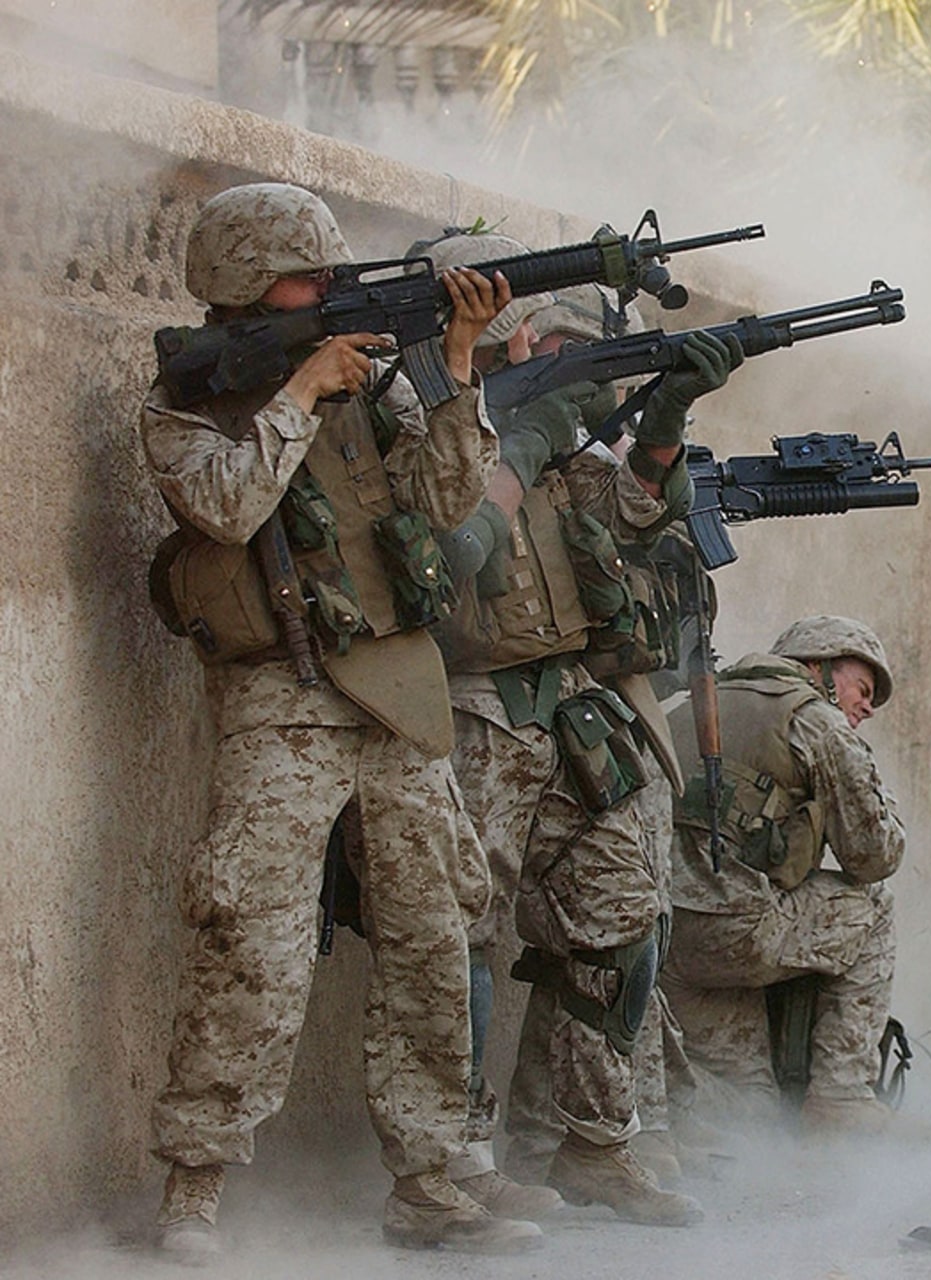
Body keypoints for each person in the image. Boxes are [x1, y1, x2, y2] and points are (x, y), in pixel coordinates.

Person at [142, 183, 538, 1255]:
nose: (328, 289)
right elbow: (223, 505)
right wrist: (298, 392)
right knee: (254, 940)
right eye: (305, 275)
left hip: (397, 686)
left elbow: (443, 499)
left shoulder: (367, 379)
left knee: (431, 934)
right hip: (283, 699)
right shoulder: (192, 398)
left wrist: (454, 364)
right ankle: (195, 1182)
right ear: (240, 282)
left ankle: (431, 1179)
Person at [420, 231, 740, 1225]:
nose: (561, 366)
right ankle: (455, 1159)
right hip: (477, 709)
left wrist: (668, 412)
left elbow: (643, 508)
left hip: (567, 710)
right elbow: (446, 541)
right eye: (543, 347)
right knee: (458, 938)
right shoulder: (443, 432)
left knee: (623, 912)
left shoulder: (558, 447)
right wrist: (523, 433)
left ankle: (597, 1142)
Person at [659, 615, 907, 1132]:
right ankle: (842, 1099)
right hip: (740, 932)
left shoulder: (691, 704)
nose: (865, 706)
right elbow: (871, 855)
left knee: (751, 1112)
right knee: (875, 906)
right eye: (861, 689)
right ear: (816, 666)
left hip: (666, 941)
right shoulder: (817, 721)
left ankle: (649, 1107)